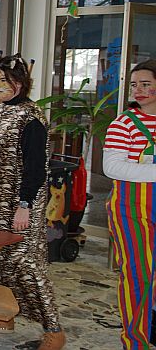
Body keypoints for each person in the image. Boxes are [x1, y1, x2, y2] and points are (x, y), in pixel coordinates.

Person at [0, 54, 66, 350]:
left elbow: (36, 167)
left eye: (4, 80)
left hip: (20, 206)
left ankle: (53, 330)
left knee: (27, 265)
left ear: (21, 83)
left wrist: (24, 205)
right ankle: (3, 314)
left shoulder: (31, 117)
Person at [103, 59, 156, 349]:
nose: (139, 90)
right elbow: (112, 167)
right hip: (131, 209)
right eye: (134, 85)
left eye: (146, 84)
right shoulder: (123, 124)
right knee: (138, 276)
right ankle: (136, 342)